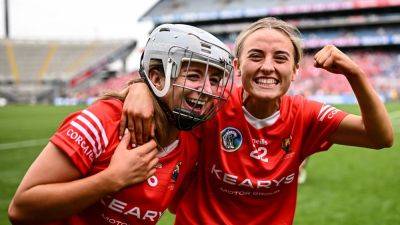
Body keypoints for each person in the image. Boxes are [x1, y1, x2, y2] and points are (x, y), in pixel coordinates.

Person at [121, 17, 393, 225]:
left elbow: (380, 137)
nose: (267, 66)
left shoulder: (306, 115)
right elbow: (166, 90)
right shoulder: (211, 103)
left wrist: (354, 73)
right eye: (255, 56)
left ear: (296, 70)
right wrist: (140, 86)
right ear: (237, 67)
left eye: (281, 58)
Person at [7, 24, 234, 225]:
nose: (207, 90)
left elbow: (177, 206)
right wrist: (111, 180)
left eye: (215, 81)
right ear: (157, 79)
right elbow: (21, 209)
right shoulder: (103, 121)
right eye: (194, 76)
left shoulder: (191, 141)